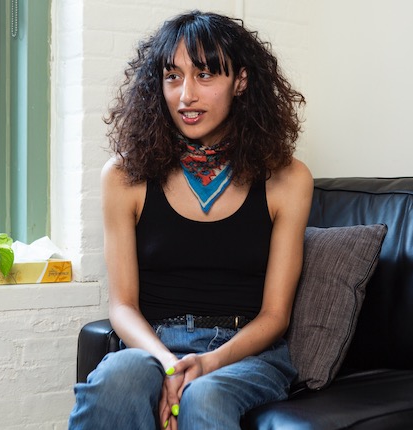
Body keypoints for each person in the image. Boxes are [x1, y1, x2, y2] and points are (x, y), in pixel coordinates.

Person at [69, 10, 313, 430]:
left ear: (240, 81)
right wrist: (168, 364)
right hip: (155, 345)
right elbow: (123, 306)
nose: (185, 96)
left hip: (244, 354)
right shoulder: (124, 176)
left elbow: (276, 315)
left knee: (205, 394)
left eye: (204, 75)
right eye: (172, 77)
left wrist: (209, 362)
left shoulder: (288, 179)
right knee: (117, 378)